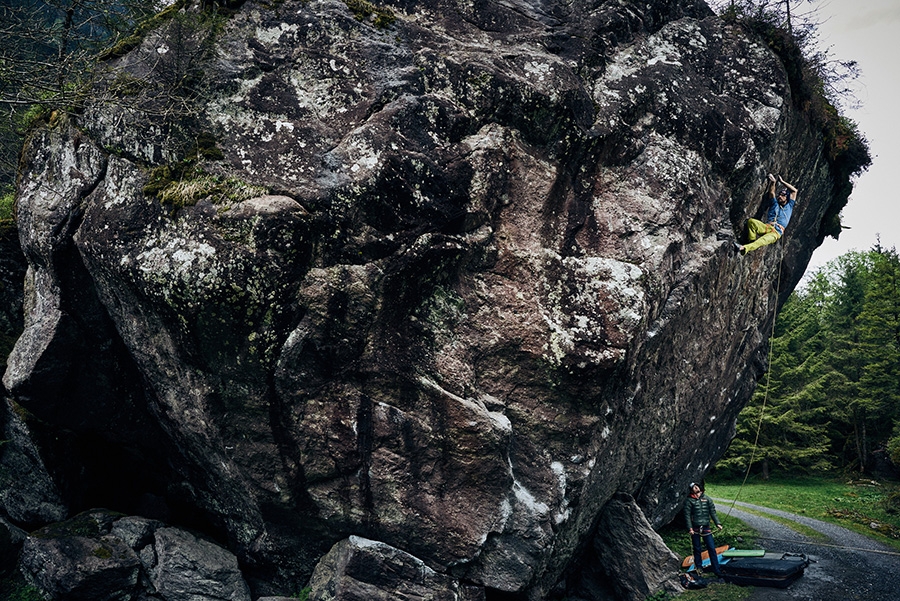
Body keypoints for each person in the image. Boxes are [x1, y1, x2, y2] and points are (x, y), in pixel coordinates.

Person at [735, 173, 798, 255]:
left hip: (776, 232)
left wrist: (782, 181)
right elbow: (771, 193)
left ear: (787, 198)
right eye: (779, 195)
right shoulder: (775, 204)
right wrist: (773, 183)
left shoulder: (789, 206)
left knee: (762, 241)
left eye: (783, 195)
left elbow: (794, 191)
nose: (780, 196)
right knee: (751, 222)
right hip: (767, 226)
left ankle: (744, 248)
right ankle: (751, 242)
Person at [683, 482, 724, 577]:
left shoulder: (707, 499)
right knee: (697, 549)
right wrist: (690, 528)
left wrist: (718, 523)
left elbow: (713, 512)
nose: (696, 488)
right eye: (693, 487)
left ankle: (716, 569)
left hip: (706, 527)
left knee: (711, 548)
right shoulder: (689, 501)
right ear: (691, 490)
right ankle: (699, 568)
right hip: (695, 528)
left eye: (696, 486)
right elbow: (687, 516)